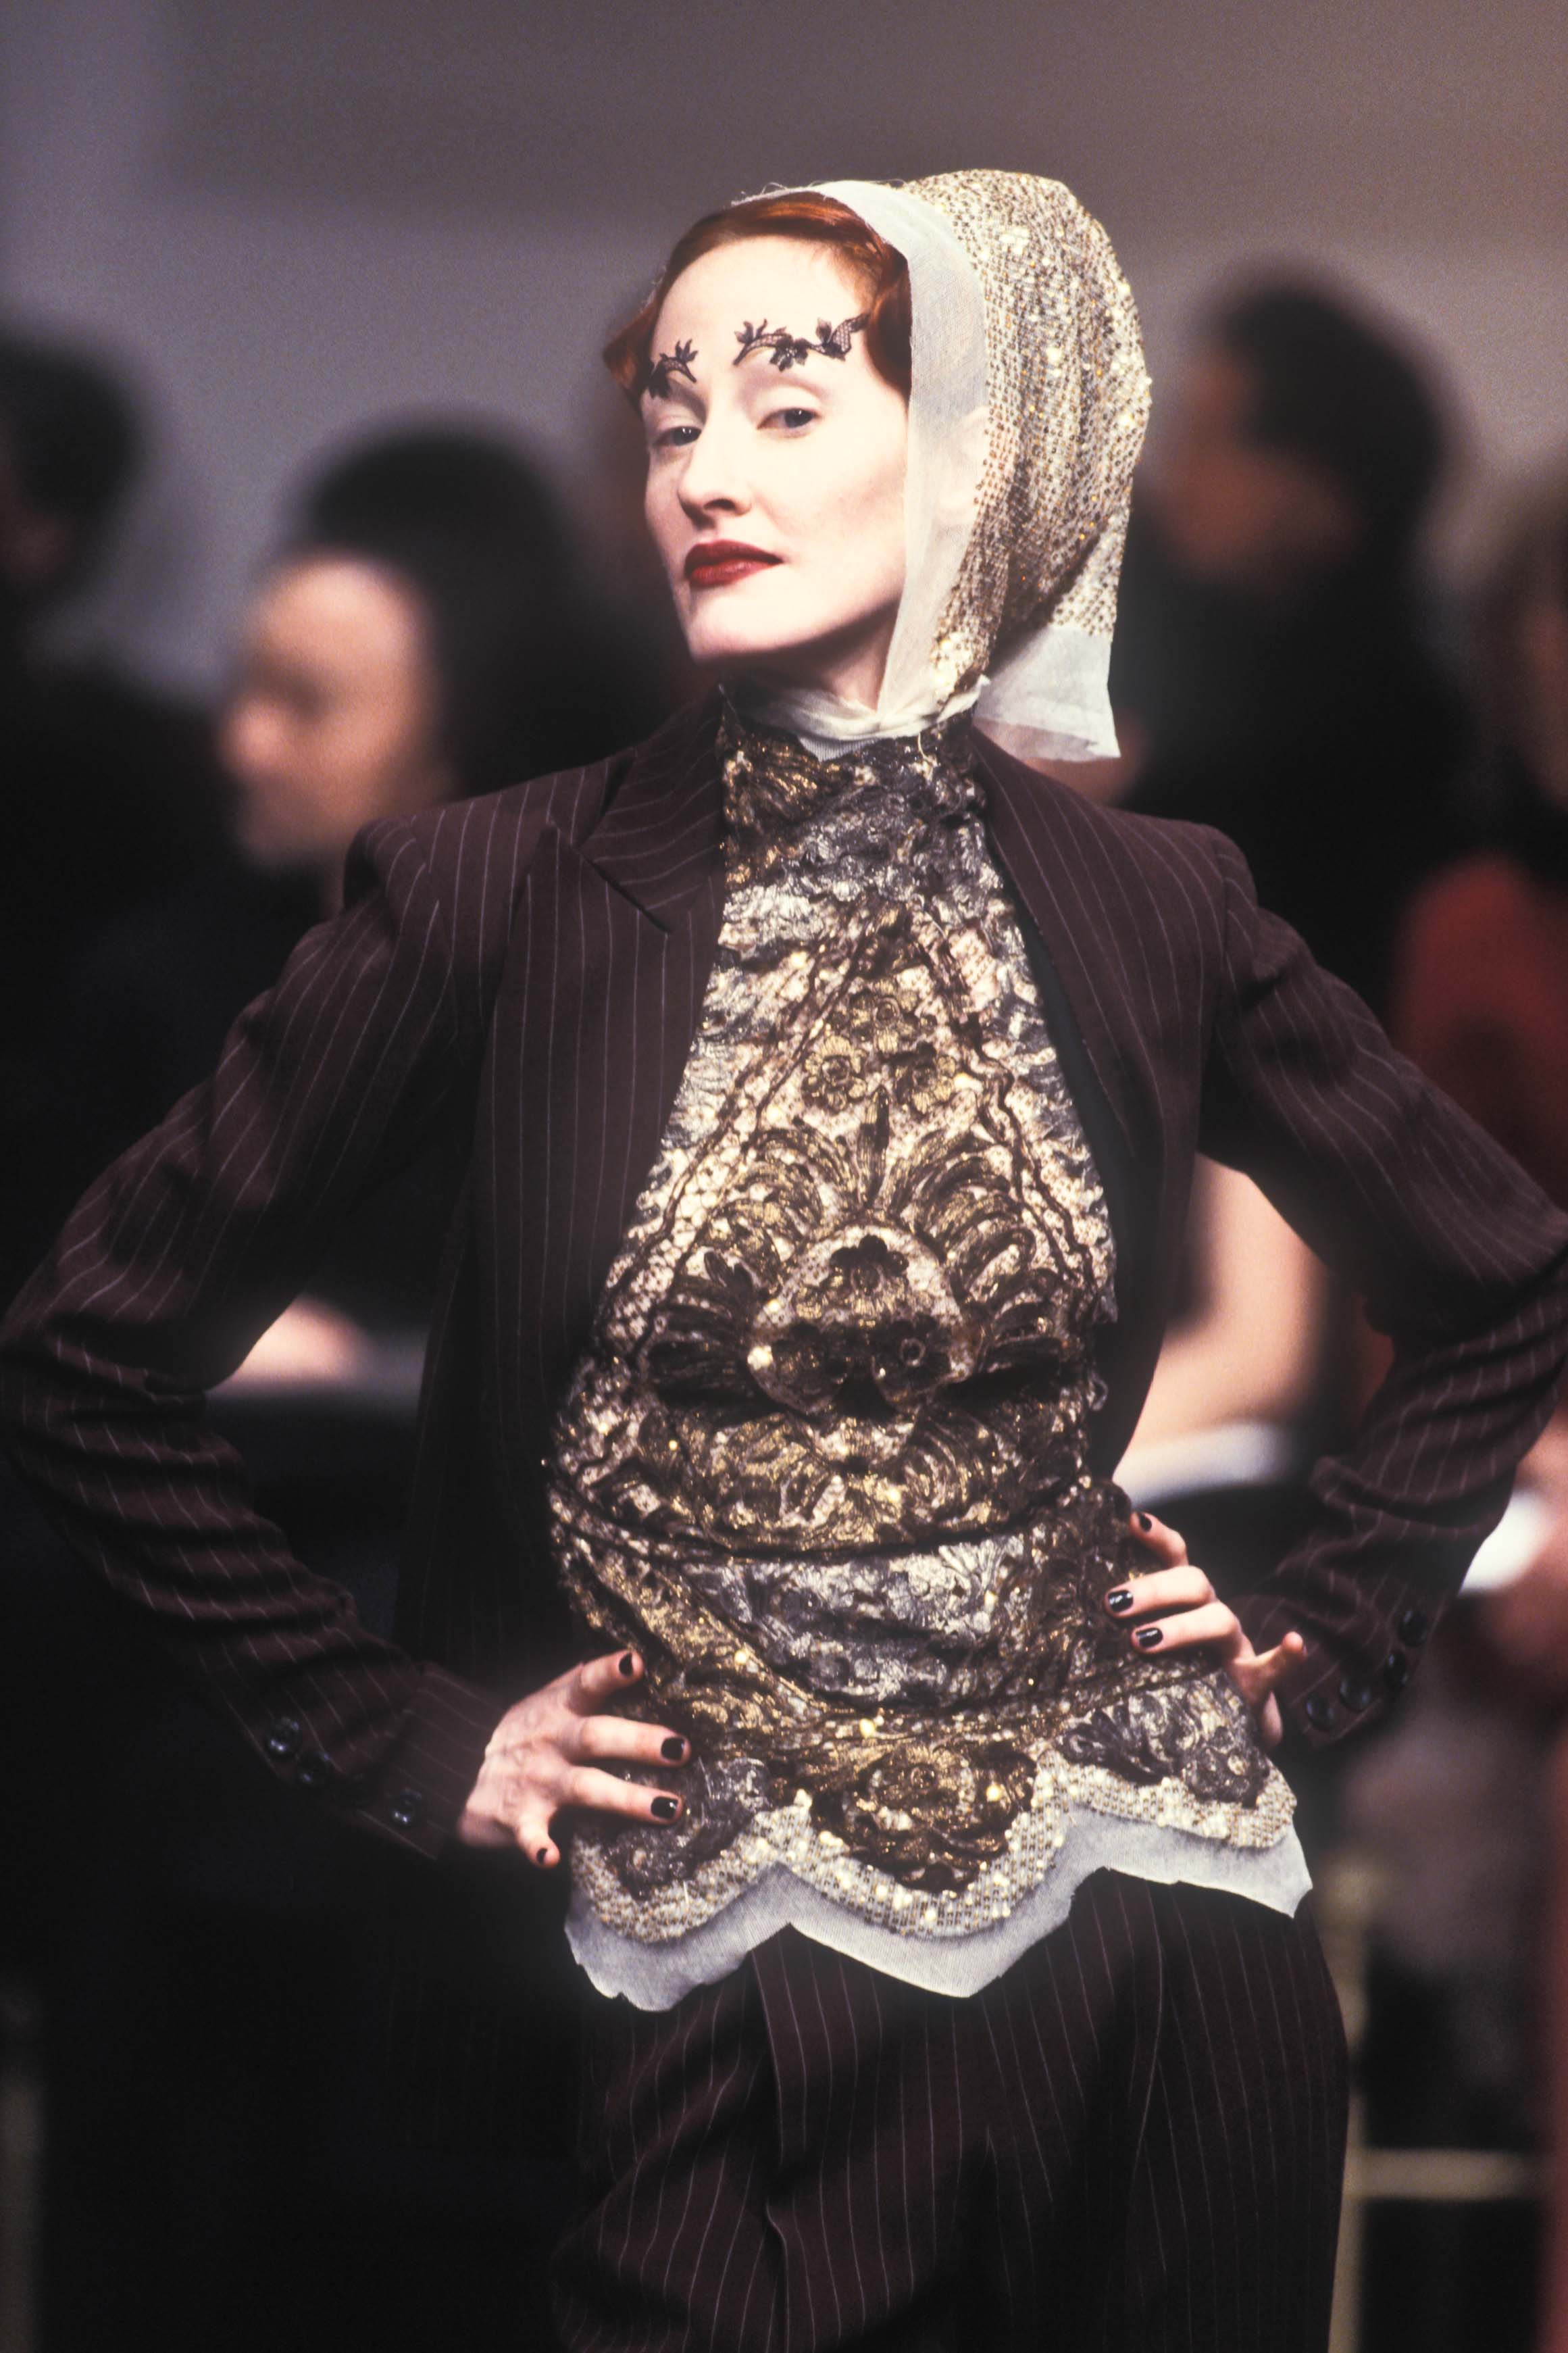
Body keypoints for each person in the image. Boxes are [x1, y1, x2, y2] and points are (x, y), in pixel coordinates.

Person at [2, 174, 1565, 2353]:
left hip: (1160, 1949)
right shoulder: (490, 894)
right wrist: (395, 1727)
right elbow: (86, 1351)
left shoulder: (1157, 905)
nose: (706, 473)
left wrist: (1327, 1612)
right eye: (671, 419)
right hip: (718, 1968)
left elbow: (1501, 1277)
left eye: (786, 404)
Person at [1112, 280, 1469, 1015]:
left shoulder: (1393, 736)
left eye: (1213, 438)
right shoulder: (1141, 632)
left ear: (1327, 494)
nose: (1173, 466)